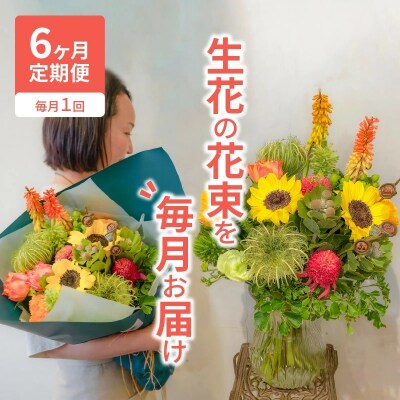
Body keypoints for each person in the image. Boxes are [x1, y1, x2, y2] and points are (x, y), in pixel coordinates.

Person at [27, 69, 163, 400]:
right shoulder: (49, 217)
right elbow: (46, 345)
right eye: (126, 131)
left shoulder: (100, 203)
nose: (130, 147)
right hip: (96, 390)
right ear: (93, 128)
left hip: (134, 382)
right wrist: (150, 338)